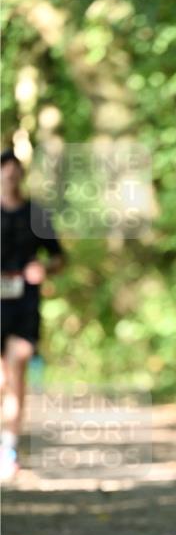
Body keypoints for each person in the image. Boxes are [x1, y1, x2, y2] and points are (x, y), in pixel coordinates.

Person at [1, 149, 65, 481]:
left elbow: (58, 256)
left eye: (15, 171)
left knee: (17, 372)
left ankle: (8, 451)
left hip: (24, 306)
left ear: (21, 175)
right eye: (5, 171)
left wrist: (43, 268)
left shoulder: (35, 214)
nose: (10, 176)